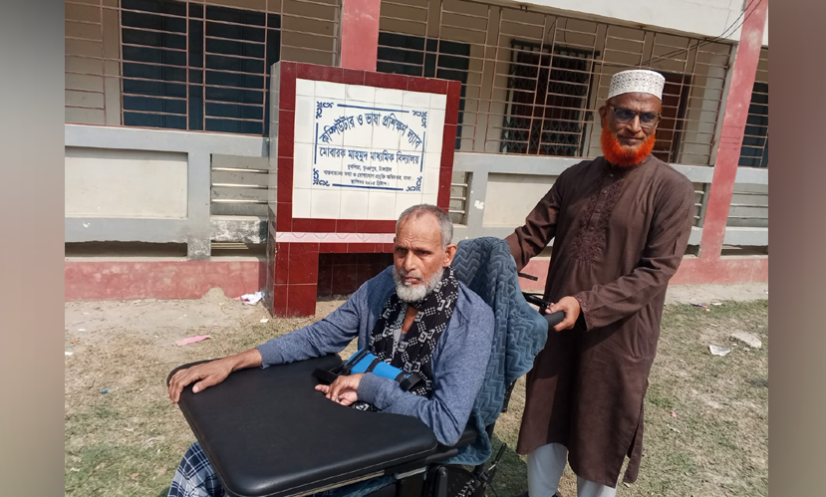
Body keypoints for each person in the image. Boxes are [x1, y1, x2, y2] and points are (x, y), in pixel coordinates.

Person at [166, 204, 495, 497]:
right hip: (341, 419)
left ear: (447, 255)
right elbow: (320, 336)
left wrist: (368, 386)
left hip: (393, 449)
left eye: (422, 253)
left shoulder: (469, 321)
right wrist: (235, 361)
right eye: (400, 251)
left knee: (262, 481)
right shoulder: (386, 285)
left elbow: (447, 424)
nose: (408, 264)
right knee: (207, 459)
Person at [505, 69, 695, 497]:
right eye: (625, 113)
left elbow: (656, 271)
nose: (635, 126)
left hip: (619, 337)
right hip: (557, 325)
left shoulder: (672, 190)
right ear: (603, 114)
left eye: (647, 117)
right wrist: (477, 260)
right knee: (547, 414)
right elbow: (530, 235)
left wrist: (585, 305)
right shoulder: (575, 178)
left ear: (657, 122)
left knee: (600, 428)